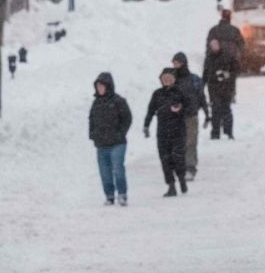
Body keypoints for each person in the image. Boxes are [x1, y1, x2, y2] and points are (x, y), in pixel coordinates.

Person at [88, 72, 132, 206]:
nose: (100, 88)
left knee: (118, 168)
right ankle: (109, 195)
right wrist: (92, 134)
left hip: (117, 143)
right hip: (101, 144)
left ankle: (122, 195)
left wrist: (120, 133)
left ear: (109, 86)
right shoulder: (96, 103)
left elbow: (127, 118)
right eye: (98, 86)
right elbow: (91, 120)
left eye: (102, 86)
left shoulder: (119, 101)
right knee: (104, 171)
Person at [143, 68, 188, 197]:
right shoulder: (157, 94)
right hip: (162, 132)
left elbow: (189, 108)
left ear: (174, 79)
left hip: (178, 131)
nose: (166, 80)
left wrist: (179, 109)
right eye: (164, 78)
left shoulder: (180, 92)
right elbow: (150, 110)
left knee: (178, 158)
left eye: (169, 78)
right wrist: (146, 125)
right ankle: (171, 186)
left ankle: (181, 178)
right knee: (165, 160)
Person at [171, 52, 209, 180]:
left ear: (184, 63)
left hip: (191, 116)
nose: (176, 66)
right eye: (174, 63)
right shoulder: (171, 80)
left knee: (190, 142)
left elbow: (201, 97)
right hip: (176, 117)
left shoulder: (194, 79)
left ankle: (190, 167)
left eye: (178, 63)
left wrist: (207, 114)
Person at [202, 35, 240, 139]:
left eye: (216, 44)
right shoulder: (209, 58)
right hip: (213, 88)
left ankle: (228, 132)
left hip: (226, 87)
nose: (214, 47)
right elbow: (205, 73)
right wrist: (202, 85)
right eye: (212, 45)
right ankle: (215, 133)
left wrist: (227, 75)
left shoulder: (228, 56)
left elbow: (236, 69)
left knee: (226, 109)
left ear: (219, 45)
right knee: (215, 110)